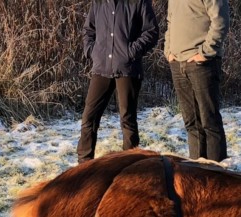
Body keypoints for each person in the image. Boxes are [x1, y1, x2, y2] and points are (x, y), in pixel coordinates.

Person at [78, 0, 160, 163]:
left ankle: (130, 166)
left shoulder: (139, 2)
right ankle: (84, 165)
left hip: (128, 69)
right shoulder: (99, 3)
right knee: (89, 118)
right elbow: (89, 30)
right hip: (101, 68)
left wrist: (130, 52)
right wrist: (92, 52)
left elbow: (151, 31)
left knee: (127, 119)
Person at [164, 0, 230, 162]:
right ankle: (196, 173)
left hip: (202, 63)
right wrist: (169, 51)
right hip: (177, 63)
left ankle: (216, 176)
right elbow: (170, 21)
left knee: (209, 121)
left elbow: (220, 20)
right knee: (191, 123)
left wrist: (205, 52)